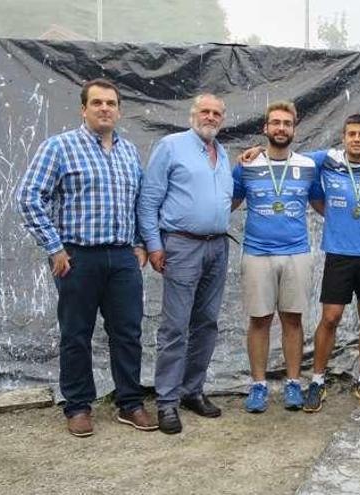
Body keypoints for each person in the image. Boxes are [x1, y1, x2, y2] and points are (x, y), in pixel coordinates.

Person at [15, 78, 157, 437]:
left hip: (122, 258)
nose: (105, 108)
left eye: (111, 103)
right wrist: (54, 246)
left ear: (119, 110)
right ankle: (78, 406)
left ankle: (130, 403)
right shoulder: (60, 147)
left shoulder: (128, 152)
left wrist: (139, 243)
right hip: (77, 258)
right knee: (76, 334)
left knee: (128, 332)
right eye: (97, 103)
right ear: (84, 109)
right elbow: (30, 196)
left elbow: (138, 202)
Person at [137, 93, 233, 434]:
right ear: (193, 114)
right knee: (175, 326)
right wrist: (153, 244)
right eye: (204, 111)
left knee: (206, 323)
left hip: (217, 247)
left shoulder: (222, 153)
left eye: (216, 113)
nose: (210, 117)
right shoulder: (171, 146)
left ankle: (192, 390)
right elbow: (149, 200)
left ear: (222, 118)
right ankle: (166, 401)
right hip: (181, 246)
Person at [231, 101, 320, 414]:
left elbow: (326, 203)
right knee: (259, 320)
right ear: (265, 128)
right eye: (276, 123)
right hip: (257, 253)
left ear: (294, 129)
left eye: (287, 123)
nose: (281, 128)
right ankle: (258, 386)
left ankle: (293, 384)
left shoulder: (309, 165)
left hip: (297, 252)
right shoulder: (247, 165)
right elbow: (227, 203)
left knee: (293, 320)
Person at [303, 114, 360, 412]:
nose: (357, 139)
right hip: (339, 253)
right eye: (352, 133)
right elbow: (290, 160)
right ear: (343, 137)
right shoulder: (327, 159)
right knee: (331, 317)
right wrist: (259, 152)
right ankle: (317, 379)